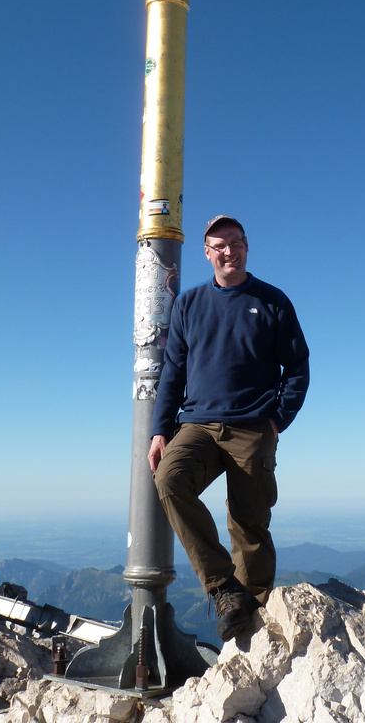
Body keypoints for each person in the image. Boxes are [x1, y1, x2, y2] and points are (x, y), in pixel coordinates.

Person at [148, 215, 310, 642]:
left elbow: (297, 367)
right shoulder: (189, 304)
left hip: (253, 424)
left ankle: (251, 619)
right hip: (197, 424)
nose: (228, 251)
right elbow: (173, 372)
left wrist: (277, 420)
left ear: (246, 246)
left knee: (249, 522)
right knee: (169, 478)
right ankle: (224, 590)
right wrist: (160, 431)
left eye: (235, 242)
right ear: (207, 253)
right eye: (219, 245)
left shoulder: (272, 301)